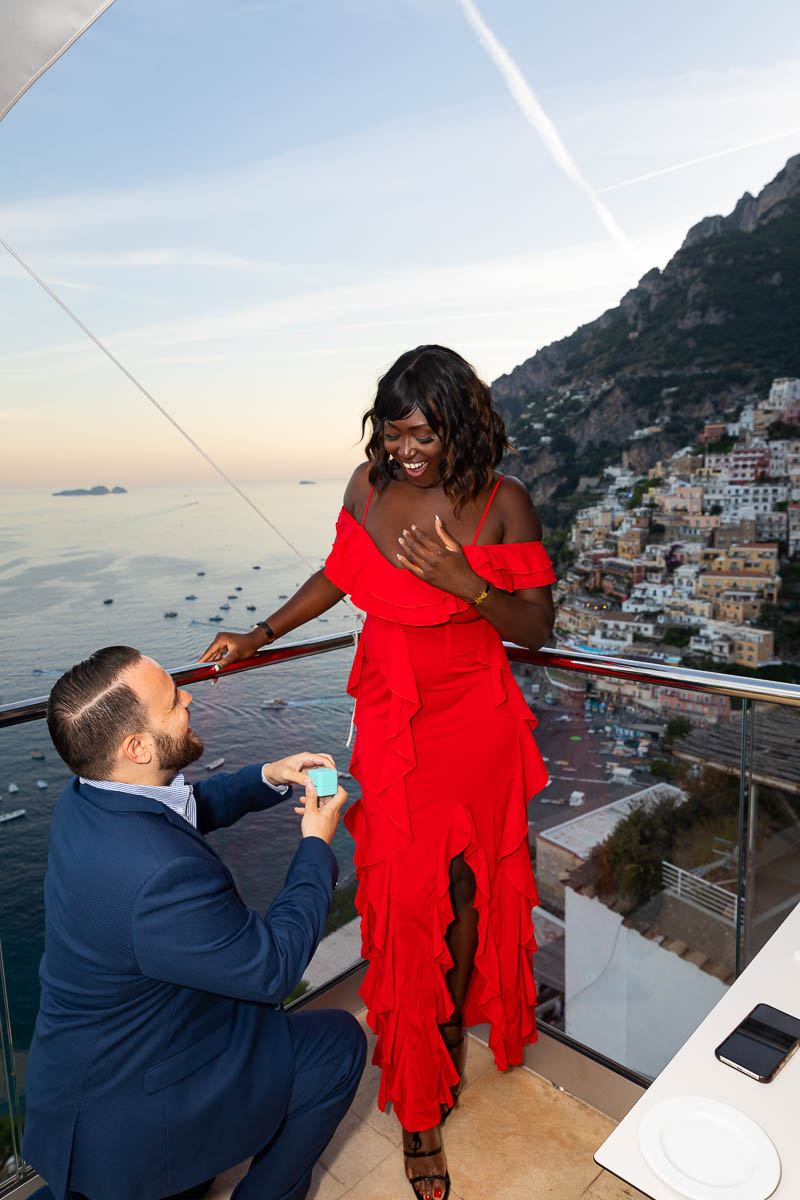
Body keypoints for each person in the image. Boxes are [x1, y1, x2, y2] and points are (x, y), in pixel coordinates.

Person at [200, 345, 556, 1200]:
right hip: (397, 723)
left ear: (457, 420)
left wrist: (470, 584)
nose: (402, 449)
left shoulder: (503, 503)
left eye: (419, 432)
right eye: (392, 432)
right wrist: (262, 634)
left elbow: (536, 626)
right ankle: (421, 1109)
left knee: (469, 891)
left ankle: (449, 1033)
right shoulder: (368, 488)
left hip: (476, 724)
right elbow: (339, 575)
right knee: (396, 908)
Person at [23, 645, 366, 1200]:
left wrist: (267, 777)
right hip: (138, 1097)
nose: (189, 698)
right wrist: (315, 847)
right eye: (173, 702)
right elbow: (273, 968)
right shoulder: (160, 874)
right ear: (136, 747)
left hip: (89, 1066)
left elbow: (181, 807)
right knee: (339, 1044)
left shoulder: (86, 798)